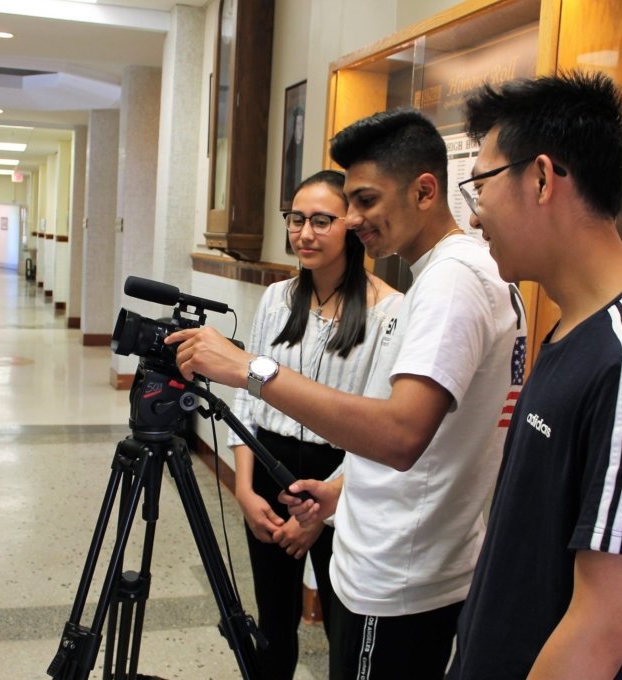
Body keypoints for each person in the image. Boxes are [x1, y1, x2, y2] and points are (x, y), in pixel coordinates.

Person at [168, 109, 524, 679]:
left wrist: (250, 369)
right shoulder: (447, 276)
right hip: (381, 531)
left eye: (362, 203)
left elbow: (398, 434)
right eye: (300, 217)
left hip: (399, 564)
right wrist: (333, 493)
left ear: (425, 191)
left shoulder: (442, 286)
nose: (352, 220)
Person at [448, 72, 622, 679]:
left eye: (480, 186)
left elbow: (604, 628)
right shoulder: (574, 328)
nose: (474, 216)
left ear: (541, 178)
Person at [230, 169, 402, 679]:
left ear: (351, 225)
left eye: (322, 221)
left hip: (343, 484)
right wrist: (243, 488)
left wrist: (322, 511)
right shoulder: (276, 299)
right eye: (297, 219)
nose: (305, 233)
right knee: (272, 627)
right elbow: (248, 399)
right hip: (266, 470)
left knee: (343, 631)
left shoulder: (388, 311)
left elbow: (378, 428)